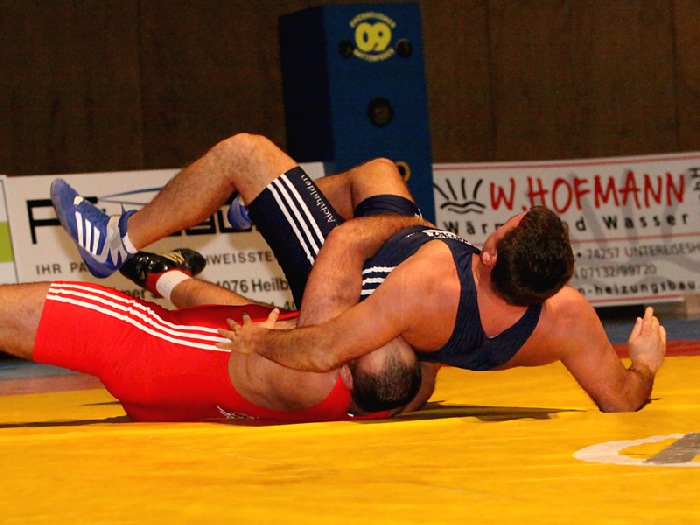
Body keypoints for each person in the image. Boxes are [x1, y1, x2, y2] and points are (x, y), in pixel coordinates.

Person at [50, 133, 666, 413]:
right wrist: (644, 363)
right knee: (377, 172)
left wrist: (261, 342)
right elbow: (621, 400)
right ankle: (189, 254)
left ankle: (116, 241)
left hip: (350, 275)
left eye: (501, 230)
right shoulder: (565, 319)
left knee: (247, 153)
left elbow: (323, 343)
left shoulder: (426, 285)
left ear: (488, 256)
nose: (498, 224)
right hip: (401, 282)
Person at [0, 249, 422, 423]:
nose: (369, 325)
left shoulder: (313, 369)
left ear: (343, 369)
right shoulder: (381, 399)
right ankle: (162, 275)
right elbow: (243, 321)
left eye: (364, 339)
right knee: (250, 319)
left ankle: (141, 260)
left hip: (144, 347)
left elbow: (343, 243)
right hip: (179, 386)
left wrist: (407, 226)